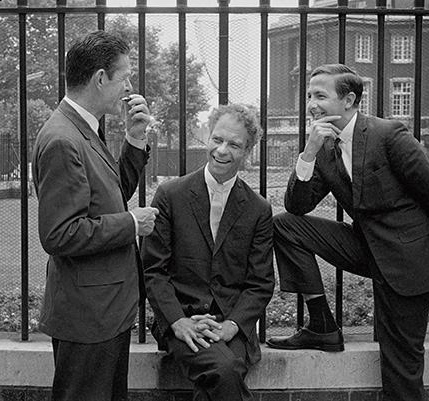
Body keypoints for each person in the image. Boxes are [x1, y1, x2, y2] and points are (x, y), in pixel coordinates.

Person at [266, 64, 429, 401]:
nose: (311, 104)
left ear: (349, 100)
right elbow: (297, 206)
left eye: (320, 96)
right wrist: (309, 152)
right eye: (309, 96)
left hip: (408, 259)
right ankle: (321, 325)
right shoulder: (325, 149)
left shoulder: (388, 135)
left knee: (400, 362)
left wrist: (416, 243)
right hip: (365, 246)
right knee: (285, 225)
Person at [32, 30, 158, 401]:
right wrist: (132, 223)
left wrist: (135, 139)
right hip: (88, 317)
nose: (129, 88)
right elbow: (59, 234)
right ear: (101, 78)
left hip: (103, 312)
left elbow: (110, 195)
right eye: (125, 77)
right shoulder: (63, 139)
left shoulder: (82, 128)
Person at [142, 103, 275, 401]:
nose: (222, 150)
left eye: (234, 145)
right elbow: (153, 270)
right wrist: (177, 322)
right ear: (208, 137)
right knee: (225, 369)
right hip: (181, 320)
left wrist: (232, 326)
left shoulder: (258, 209)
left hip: (230, 324)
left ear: (247, 151)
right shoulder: (170, 195)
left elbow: (261, 282)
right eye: (217, 139)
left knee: (223, 372)